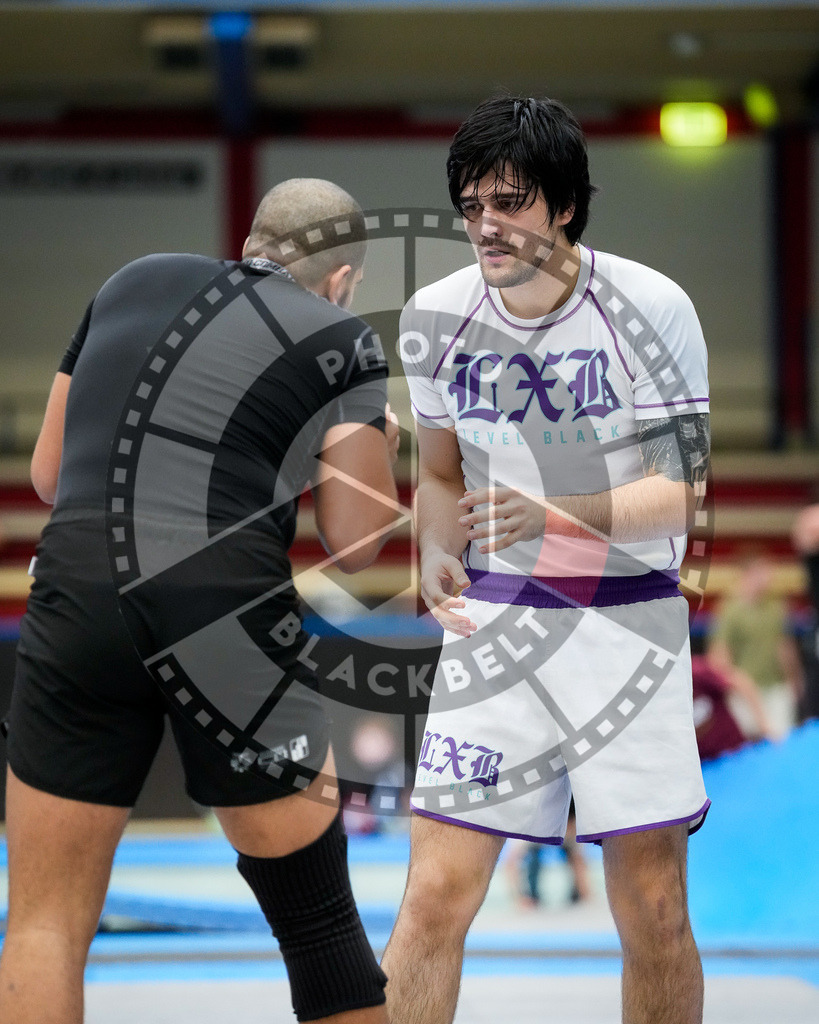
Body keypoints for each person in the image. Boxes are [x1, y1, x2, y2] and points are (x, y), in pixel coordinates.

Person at [0, 178, 400, 1024]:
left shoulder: (133, 280)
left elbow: (46, 475)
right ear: (341, 280)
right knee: (320, 925)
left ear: (253, 241)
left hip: (80, 589)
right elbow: (354, 540)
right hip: (222, 609)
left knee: (43, 925)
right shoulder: (340, 334)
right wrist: (379, 440)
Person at [382, 96, 712, 1024]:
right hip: (497, 625)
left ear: (563, 206)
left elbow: (681, 490)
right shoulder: (432, 314)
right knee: (433, 896)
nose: (485, 224)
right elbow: (439, 473)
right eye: (471, 203)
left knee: (652, 908)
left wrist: (549, 516)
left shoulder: (650, 307)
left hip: (627, 622)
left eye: (510, 201)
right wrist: (436, 552)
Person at [708, 552, 804, 737]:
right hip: (744, 692)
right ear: (748, 574)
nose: (769, 576)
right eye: (763, 571)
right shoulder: (730, 610)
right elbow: (720, 656)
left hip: (776, 687)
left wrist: (794, 681)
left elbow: (784, 647)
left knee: (780, 742)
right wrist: (733, 687)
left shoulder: (777, 607)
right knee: (746, 745)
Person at [691, 653, 776, 761]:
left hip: (735, 753)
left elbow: (740, 682)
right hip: (704, 767)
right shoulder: (664, 698)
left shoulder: (695, 672)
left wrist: (764, 724)